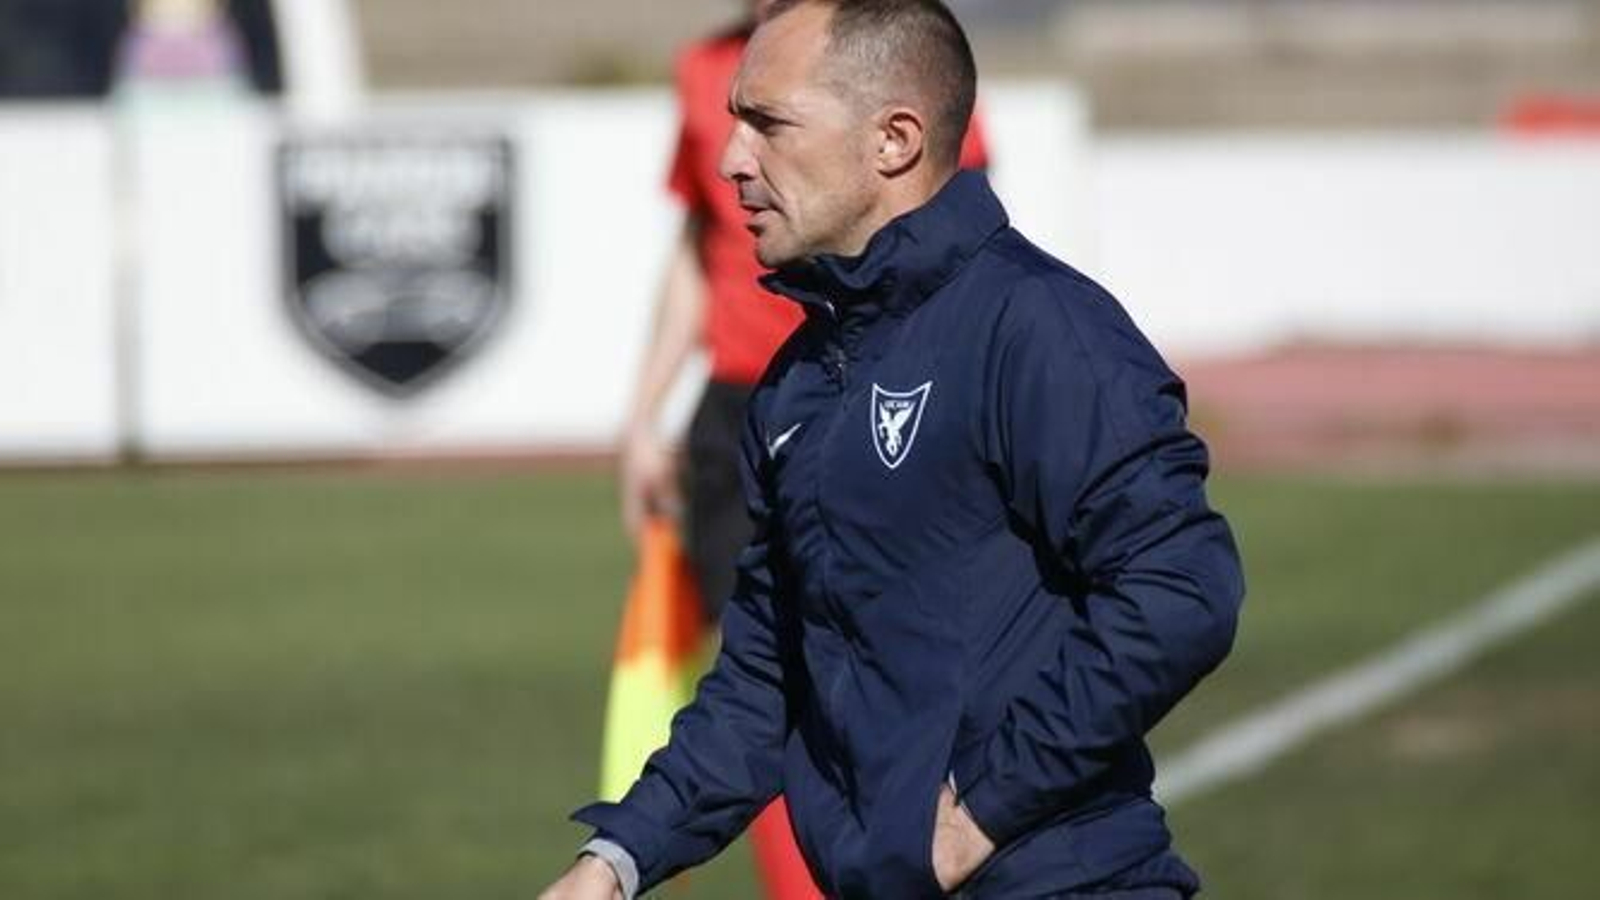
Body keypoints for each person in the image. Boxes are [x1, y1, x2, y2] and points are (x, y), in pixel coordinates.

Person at [548, 1, 1245, 897]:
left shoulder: (1037, 326)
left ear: (895, 140)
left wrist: (981, 810)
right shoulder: (799, 382)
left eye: (768, 124)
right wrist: (615, 861)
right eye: (733, 123)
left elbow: (1183, 587)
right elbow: (766, 676)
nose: (731, 162)